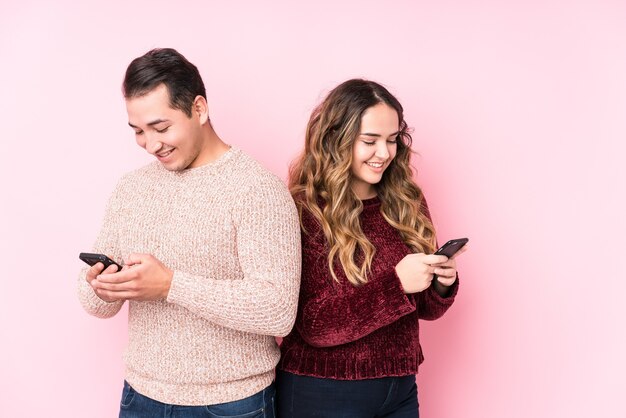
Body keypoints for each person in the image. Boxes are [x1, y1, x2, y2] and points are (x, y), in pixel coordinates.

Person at [77, 48, 301, 418]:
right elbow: (96, 305)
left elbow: (277, 310)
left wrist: (170, 286)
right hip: (140, 396)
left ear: (199, 109)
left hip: (232, 404)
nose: (151, 144)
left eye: (161, 128)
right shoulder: (131, 188)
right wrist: (101, 285)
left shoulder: (257, 189)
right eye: (138, 131)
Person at [276, 79, 466, 417]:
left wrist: (440, 283)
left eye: (392, 140)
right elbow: (314, 323)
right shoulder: (307, 209)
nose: (384, 153)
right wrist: (397, 284)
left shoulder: (405, 200)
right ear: (336, 139)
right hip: (324, 391)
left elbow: (423, 308)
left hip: (400, 387)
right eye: (370, 141)